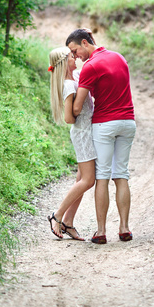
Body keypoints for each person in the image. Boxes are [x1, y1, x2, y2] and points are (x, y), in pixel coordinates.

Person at [65, 29, 136, 244]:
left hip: (105, 124)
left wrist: (72, 110)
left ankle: (101, 231)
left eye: (75, 50)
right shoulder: (119, 57)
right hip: (128, 122)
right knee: (121, 174)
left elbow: (77, 108)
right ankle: (124, 228)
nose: (76, 56)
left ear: (85, 43)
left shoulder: (90, 66)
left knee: (103, 176)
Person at [47, 46, 96, 240]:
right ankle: (56, 215)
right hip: (83, 134)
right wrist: (81, 114)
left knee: (81, 179)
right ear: (63, 63)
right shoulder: (68, 85)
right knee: (88, 180)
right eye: (71, 56)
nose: (75, 57)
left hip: (88, 131)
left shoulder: (75, 76)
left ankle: (68, 222)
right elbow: (69, 118)